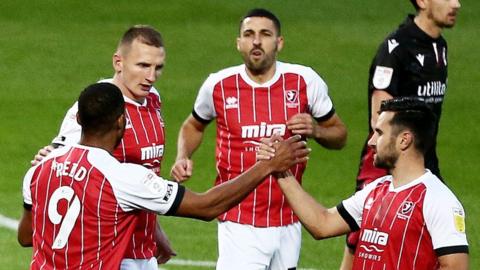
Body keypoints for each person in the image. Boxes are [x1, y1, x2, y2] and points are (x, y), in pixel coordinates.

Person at [17, 83, 308, 270]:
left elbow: (26, 236)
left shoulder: (39, 169)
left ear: (78, 119)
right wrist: (267, 166)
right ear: (122, 121)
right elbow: (207, 206)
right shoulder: (123, 177)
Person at [170, 8, 347, 270]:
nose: (256, 41)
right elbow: (193, 125)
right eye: (249, 34)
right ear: (239, 42)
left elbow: (339, 134)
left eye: (265, 34)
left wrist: (317, 131)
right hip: (239, 220)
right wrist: (183, 156)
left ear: (279, 42)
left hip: (289, 218)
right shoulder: (218, 85)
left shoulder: (304, 81)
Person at [259, 97, 469, 269]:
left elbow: (455, 266)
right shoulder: (376, 190)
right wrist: (280, 170)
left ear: (404, 140)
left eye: (379, 133)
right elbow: (322, 224)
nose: (370, 142)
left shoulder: (437, 199)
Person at [30, 25, 175, 268]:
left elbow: (142, 178)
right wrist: (48, 156)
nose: (151, 76)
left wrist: (155, 233)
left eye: (158, 67)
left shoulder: (152, 99)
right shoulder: (98, 108)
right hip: (110, 252)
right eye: (142, 66)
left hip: (143, 248)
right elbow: (63, 165)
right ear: (119, 62)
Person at [346, 0, 461, 267]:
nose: (456, 4)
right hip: (389, 157)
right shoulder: (396, 48)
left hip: (422, 157)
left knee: (432, 237)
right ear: (422, 1)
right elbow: (379, 115)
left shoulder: (439, 46)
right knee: (363, 234)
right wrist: (393, 161)